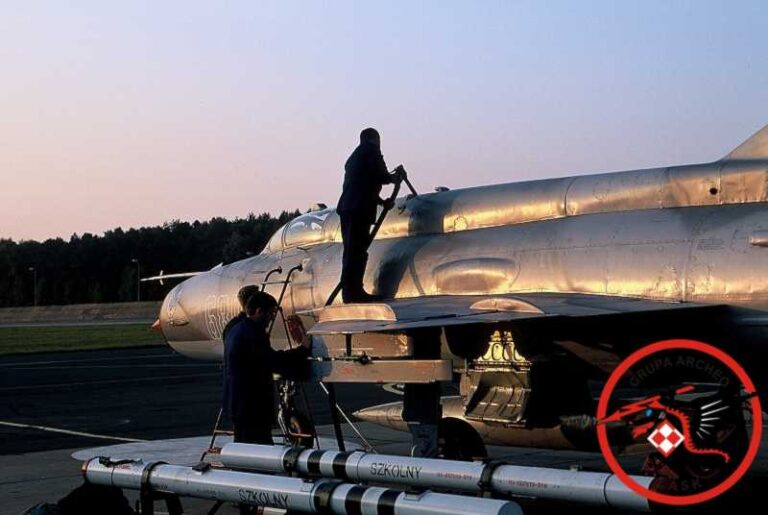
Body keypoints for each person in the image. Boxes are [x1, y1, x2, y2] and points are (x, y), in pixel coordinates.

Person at [222, 290, 311, 444]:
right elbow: (272, 361)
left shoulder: (235, 329)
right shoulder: (253, 333)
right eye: (270, 313)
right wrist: (302, 350)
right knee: (259, 447)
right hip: (252, 406)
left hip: (238, 403)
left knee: (244, 446)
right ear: (259, 311)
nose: (271, 318)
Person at [336, 128, 402, 303]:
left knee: (353, 251)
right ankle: (354, 293)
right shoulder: (371, 150)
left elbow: (363, 184)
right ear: (375, 139)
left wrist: (381, 202)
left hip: (349, 208)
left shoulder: (354, 158)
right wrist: (394, 178)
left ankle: (351, 292)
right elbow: (379, 175)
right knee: (356, 252)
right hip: (358, 209)